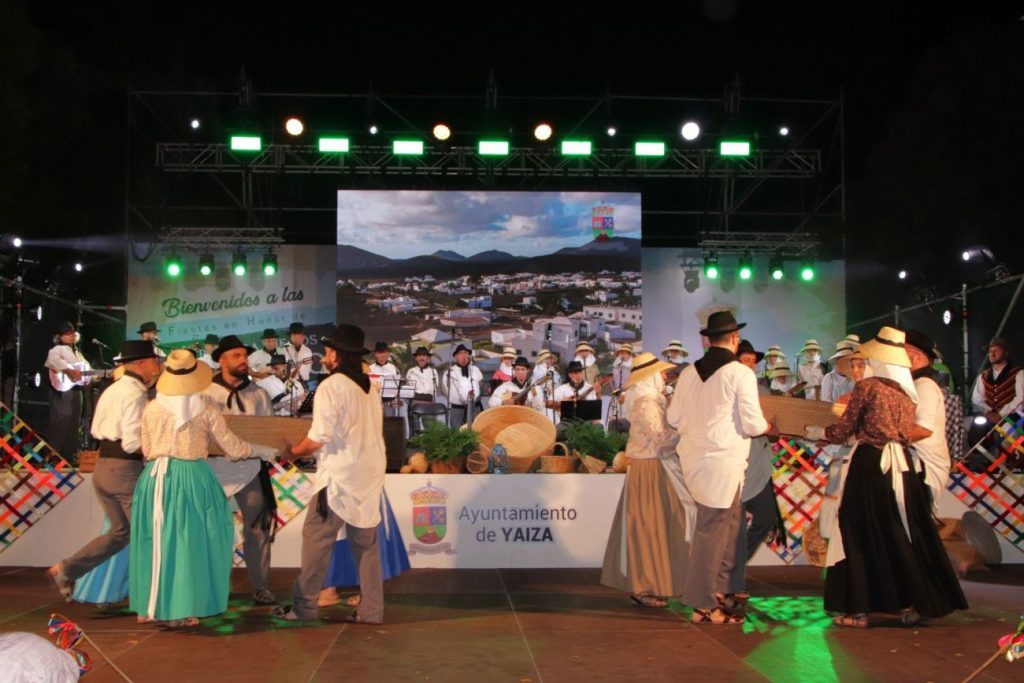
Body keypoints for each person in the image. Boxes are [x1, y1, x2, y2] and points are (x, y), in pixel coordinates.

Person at [807, 326, 967, 628]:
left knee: (856, 530)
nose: (859, 367)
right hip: (900, 463)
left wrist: (819, 433)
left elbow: (843, 430)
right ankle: (911, 598)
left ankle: (858, 608)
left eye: (861, 362)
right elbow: (906, 432)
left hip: (870, 462)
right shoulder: (905, 391)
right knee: (896, 529)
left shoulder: (869, 388)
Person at [130, 349, 278, 627]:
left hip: (153, 478)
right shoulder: (205, 411)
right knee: (190, 541)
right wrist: (267, 450)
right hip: (191, 476)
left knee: (155, 539)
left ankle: (149, 605)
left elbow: (147, 449)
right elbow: (235, 449)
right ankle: (181, 607)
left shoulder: (152, 408)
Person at [666, 311, 776, 625]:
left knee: (726, 527)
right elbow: (754, 424)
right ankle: (702, 603)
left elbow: (674, 419)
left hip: (696, 459)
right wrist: (770, 425)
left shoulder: (688, 373)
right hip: (723, 460)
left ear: (707, 339)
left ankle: (718, 591)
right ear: (734, 339)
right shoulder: (740, 373)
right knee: (712, 531)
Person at [274, 324, 386, 624]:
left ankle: (304, 606)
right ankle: (372, 611)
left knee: (316, 541)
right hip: (370, 472)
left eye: (328, 350)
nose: (324, 355)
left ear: (336, 354)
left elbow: (318, 437)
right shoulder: (369, 386)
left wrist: (293, 451)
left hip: (339, 476)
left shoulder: (331, 386)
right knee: (367, 547)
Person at [47, 340, 162, 602]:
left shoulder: (113, 390)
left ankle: (67, 569)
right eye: (154, 362)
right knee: (147, 534)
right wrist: (160, 448)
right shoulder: (134, 393)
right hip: (124, 469)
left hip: (104, 468)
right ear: (142, 363)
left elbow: (97, 428)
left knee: (120, 533)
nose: (156, 367)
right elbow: (133, 441)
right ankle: (150, 598)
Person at [601, 352, 692, 607]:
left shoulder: (652, 400)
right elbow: (661, 438)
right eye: (662, 373)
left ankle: (655, 582)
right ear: (651, 376)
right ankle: (644, 585)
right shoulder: (646, 402)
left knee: (657, 526)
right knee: (648, 528)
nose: (665, 377)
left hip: (654, 467)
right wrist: (685, 429)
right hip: (649, 469)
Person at [202, 335, 278, 606]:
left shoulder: (259, 394)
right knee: (212, 530)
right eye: (236, 355)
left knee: (257, 529)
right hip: (212, 471)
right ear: (221, 360)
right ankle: (213, 583)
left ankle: (261, 586)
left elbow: (269, 433)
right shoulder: (206, 393)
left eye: (244, 356)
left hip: (249, 471)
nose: (243, 360)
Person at [736, 340, 783, 564]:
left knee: (765, 517)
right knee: (731, 524)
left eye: (753, 361)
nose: (751, 365)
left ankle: (735, 566)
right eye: (746, 360)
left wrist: (775, 429)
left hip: (758, 464)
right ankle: (730, 577)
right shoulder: (727, 388)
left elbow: (772, 433)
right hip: (733, 463)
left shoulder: (762, 390)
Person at [905, 329, 950, 510]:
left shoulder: (925, 386)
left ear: (916, 357)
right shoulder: (915, 385)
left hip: (923, 471)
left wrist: (883, 438)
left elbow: (922, 429)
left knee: (915, 530)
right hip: (915, 468)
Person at [45, 321, 93, 461]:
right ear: (60, 337)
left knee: (74, 423)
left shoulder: (77, 353)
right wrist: (68, 370)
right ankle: (54, 455)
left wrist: (101, 375)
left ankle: (67, 456)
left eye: (72, 333)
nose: (71, 336)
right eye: (67, 334)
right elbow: (52, 361)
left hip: (76, 390)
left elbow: (87, 369)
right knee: (61, 421)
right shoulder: (56, 349)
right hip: (62, 390)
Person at [971, 336, 1023, 423]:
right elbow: (976, 399)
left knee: (1014, 434)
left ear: (1005, 353)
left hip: (1013, 419)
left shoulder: (1018, 373)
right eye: (990, 351)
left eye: (996, 350)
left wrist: (1001, 414)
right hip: (989, 420)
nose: (992, 354)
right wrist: (988, 412)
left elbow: (1021, 398)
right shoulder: (983, 376)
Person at [548, 360, 603, 426]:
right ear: (570, 375)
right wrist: (563, 404)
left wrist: (598, 393)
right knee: (560, 430)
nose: (578, 375)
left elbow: (596, 408)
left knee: (599, 427)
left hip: (587, 421)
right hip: (568, 422)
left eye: (580, 372)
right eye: (575, 373)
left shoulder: (589, 387)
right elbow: (548, 403)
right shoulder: (562, 388)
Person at [443, 344, 483, 426]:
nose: (464, 355)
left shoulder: (475, 370)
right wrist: (461, 400)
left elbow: (481, 385)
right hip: (457, 408)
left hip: (474, 407)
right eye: (461, 353)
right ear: (456, 357)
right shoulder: (450, 372)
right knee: (457, 433)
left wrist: (475, 399)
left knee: (475, 431)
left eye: (466, 353)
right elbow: (445, 390)